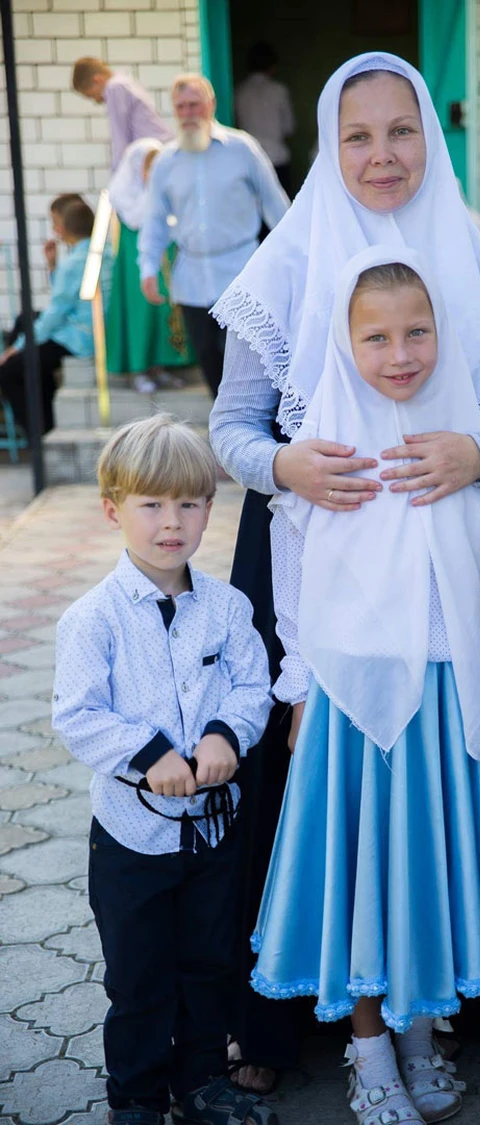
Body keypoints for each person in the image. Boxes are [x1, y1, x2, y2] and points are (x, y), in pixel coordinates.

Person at [209, 50, 480, 1090]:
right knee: (319, 798)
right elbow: (228, 427)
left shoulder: (470, 263)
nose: (381, 154)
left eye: (400, 131)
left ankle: (434, 1016)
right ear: (328, 144)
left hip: (448, 560)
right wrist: (283, 462)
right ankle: (300, 1032)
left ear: (430, 138)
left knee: (442, 794)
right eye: (356, 135)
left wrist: (476, 454)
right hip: (318, 559)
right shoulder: (286, 267)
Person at [252, 247, 480, 1125]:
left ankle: (416, 1031)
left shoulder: (457, 438)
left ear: (445, 334)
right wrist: (298, 683)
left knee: (422, 866)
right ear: (343, 341)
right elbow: (295, 572)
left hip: (445, 684)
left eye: (418, 333)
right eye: (376, 338)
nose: (400, 354)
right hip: (354, 691)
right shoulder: (324, 445)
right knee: (364, 869)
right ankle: (366, 1049)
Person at [51, 414, 275, 1125]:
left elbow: (250, 687)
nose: (171, 522)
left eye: (189, 503)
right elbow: (78, 713)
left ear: (211, 507)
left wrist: (223, 735)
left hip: (212, 834)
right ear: (114, 509)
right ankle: (139, 1094)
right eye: (151, 504)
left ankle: (203, 1077)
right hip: (131, 838)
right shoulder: (93, 620)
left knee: (210, 960)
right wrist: (150, 755)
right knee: (140, 976)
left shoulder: (228, 609)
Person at [139, 74, 290, 400]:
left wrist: (292, 256)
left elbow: (274, 202)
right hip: (192, 279)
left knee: (248, 361)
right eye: (181, 107)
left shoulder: (242, 148)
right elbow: (154, 219)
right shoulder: (166, 160)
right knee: (208, 359)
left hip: (241, 273)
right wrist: (148, 267)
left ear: (211, 105)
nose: (188, 112)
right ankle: (224, 430)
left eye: (194, 104)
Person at [0, 197, 102, 435]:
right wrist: (54, 266)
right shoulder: (98, 253)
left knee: (9, 371)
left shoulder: (76, 262)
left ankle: (40, 432)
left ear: (64, 228)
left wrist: (18, 346)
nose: (53, 229)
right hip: (82, 327)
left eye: (55, 223)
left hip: (80, 338)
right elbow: (69, 298)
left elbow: (57, 312)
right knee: (26, 318)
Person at [107, 138, 194, 393]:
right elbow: (136, 220)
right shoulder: (126, 197)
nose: (154, 173)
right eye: (149, 167)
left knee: (163, 313)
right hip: (137, 266)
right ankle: (138, 369)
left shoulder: (162, 195)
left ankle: (161, 366)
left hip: (165, 261)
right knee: (140, 314)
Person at [72, 57, 173, 171]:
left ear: (97, 80)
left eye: (91, 95)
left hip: (154, 156)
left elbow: (120, 138)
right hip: (163, 150)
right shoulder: (125, 81)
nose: (96, 100)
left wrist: (116, 179)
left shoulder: (114, 88)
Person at [234, 42, 295, 196]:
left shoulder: (239, 92)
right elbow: (289, 127)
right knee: (282, 212)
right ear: (272, 66)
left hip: (249, 160)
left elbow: (236, 126)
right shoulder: (279, 90)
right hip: (277, 158)